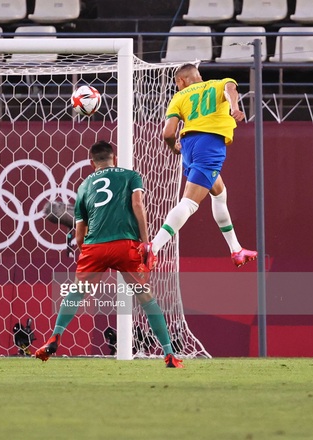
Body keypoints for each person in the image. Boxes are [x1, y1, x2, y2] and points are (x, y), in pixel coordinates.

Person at [35, 140, 183, 368]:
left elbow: (80, 230)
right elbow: (137, 205)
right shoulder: (130, 175)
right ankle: (169, 354)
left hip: (96, 247)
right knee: (146, 298)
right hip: (126, 245)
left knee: (76, 293)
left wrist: (87, 252)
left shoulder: (84, 185)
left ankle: (55, 336)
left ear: (90, 161)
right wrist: (145, 244)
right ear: (115, 157)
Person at [143, 63, 257, 270]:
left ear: (181, 81)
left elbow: (168, 134)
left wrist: (174, 148)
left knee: (219, 193)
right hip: (210, 144)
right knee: (189, 203)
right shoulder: (217, 84)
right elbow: (230, 89)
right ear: (199, 76)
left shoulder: (178, 97)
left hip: (189, 146)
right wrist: (235, 108)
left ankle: (236, 249)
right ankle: (154, 247)